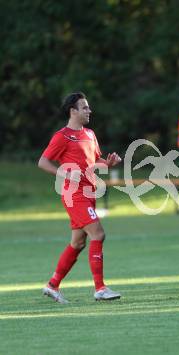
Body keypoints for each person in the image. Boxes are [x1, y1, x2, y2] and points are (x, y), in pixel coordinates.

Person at [38, 92, 122, 303]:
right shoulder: (62, 136)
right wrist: (65, 173)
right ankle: (100, 288)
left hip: (89, 192)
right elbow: (43, 162)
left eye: (88, 107)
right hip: (74, 194)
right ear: (72, 111)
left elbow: (93, 162)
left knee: (77, 243)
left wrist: (108, 164)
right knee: (98, 234)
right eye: (84, 107)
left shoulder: (90, 134)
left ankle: (52, 285)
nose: (89, 110)